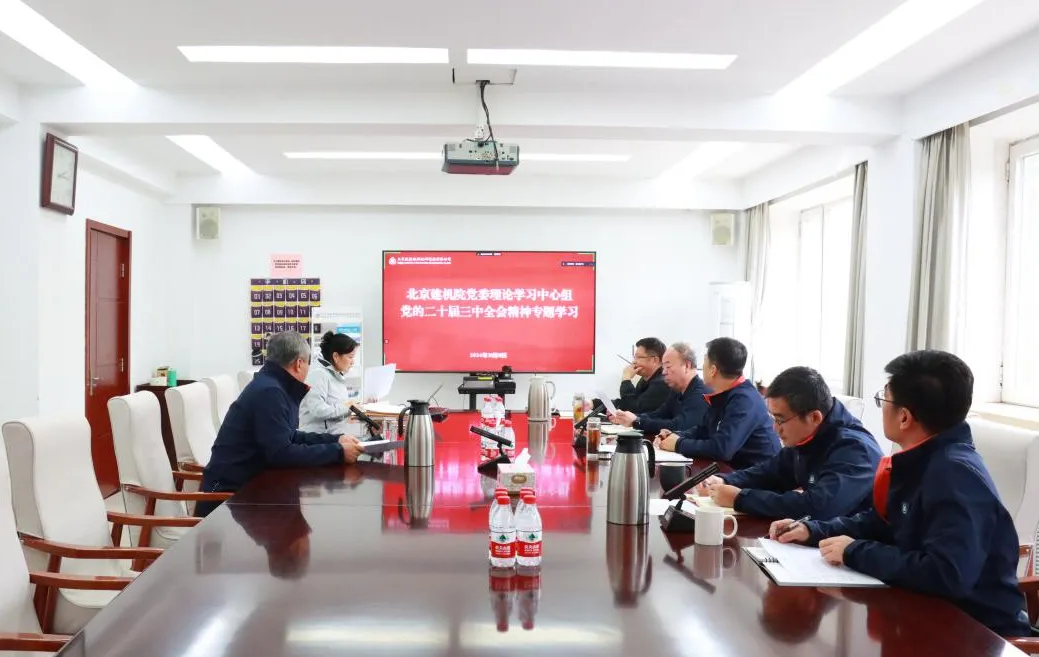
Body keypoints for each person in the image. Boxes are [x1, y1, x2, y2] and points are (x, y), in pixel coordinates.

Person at [770, 350, 1029, 637]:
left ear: (904, 417)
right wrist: (813, 530)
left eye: (884, 399)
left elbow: (946, 574)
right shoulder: (920, 459)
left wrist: (854, 552)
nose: (881, 407)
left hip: (976, 634)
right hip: (924, 615)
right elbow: (880, 522)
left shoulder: (954, 474)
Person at [195, 331, 364, 517]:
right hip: (226, 500)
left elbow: (289, 435)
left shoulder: (273, 386)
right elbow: (281, 453)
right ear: (299, 364)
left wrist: (335, 440)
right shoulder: (270, 392)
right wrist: (338, 452)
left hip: (249, 487)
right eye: (308, 363)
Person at [698, 366, 883, 519]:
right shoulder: (808, 437)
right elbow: (771, 473)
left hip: (854, 545)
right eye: (773, 419)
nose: (775, 428)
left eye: (780, 420)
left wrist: (741, 499)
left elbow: (818, 507)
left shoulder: (856, 450)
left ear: (814, 417)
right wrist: (725, 480)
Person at [656, 337, 779, 469]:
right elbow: (703, 430)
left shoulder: (745, 400)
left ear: (713, 370)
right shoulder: (723, 393)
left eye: (704, 362)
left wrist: (678, 444)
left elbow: (722, 449)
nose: (701, 367)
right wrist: (674, 435)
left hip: (757, 475)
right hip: (733, 470)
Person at [608, 342, 709, 436]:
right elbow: (659, 414)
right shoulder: (677, 390)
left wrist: (637, 421)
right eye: (663, 367)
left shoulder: (701, 394)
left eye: (668, 367)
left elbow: (680, 426)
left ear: (687, 365)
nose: (663, 372)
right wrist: (627, 417)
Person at [299, 331, 362, 434]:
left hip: (332, 436)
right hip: (317, 438)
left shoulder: (334, 375)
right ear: (336, 356)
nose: (353, 362)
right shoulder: (318, 374)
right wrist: (348, 407)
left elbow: (336, 410)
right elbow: (318, 410)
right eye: (350, 357)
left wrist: (352, 410)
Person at [610, 337, 670, 413]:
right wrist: (600, 404)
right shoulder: (644, 380)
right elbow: (630, 401)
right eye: (635, 357)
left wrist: (626, 379)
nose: (634, 361)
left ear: (655, 360)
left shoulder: (662, 383)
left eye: (638, 357)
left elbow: (632, 409)